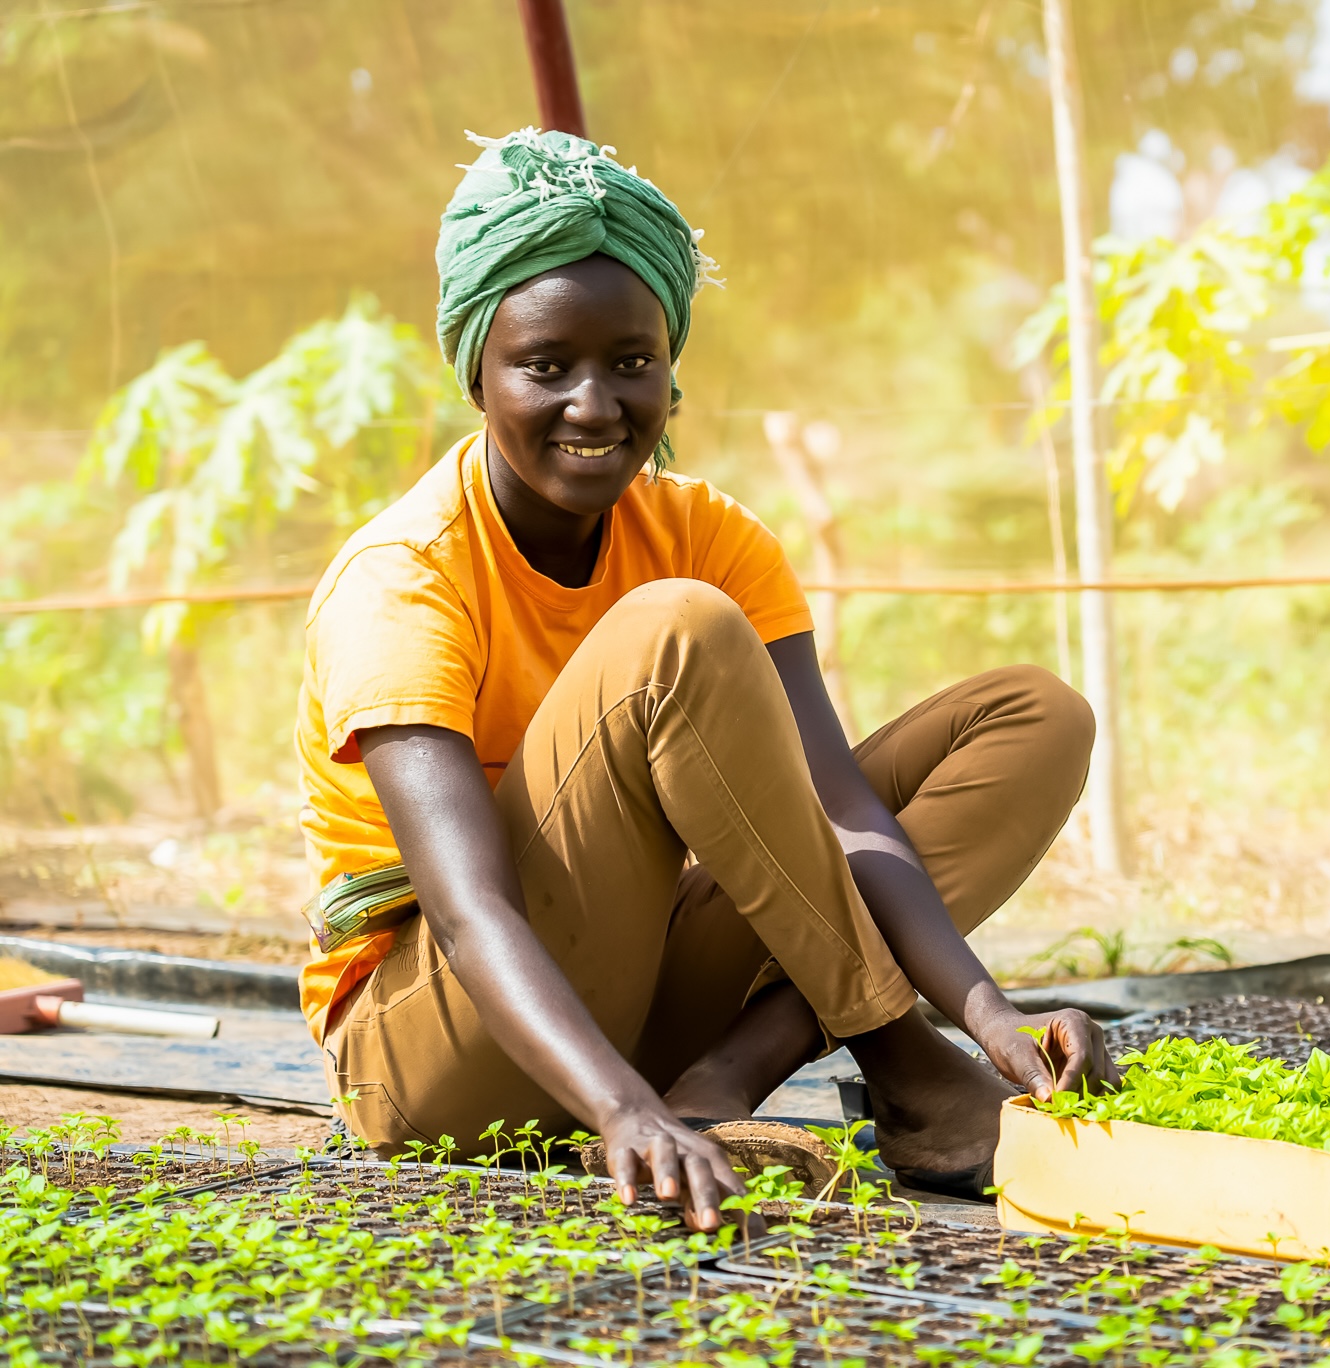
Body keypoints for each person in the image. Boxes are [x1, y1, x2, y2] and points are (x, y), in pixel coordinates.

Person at [296, 128, 1116, 1231]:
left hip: (633, 1001)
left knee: (1034, 718)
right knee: (674, 628)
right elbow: (465, 908)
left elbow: (840, 813)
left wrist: (987, 1013)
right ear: (477, 374)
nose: (596, 405)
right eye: (546, 367)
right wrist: (621, 1112)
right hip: (441, 1054)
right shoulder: (404, 578)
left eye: (631, 362)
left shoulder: (704, 533)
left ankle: (726, 1077)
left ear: (671, 370)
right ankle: (895, 1066)